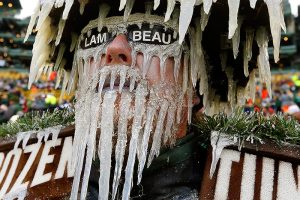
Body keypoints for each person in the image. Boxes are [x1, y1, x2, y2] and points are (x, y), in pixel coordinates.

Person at [25, 0, 285, 199]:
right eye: (97, 38)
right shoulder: (24, 182)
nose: (115, 50)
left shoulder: (258, 186)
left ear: (196, 86)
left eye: (148, 34)